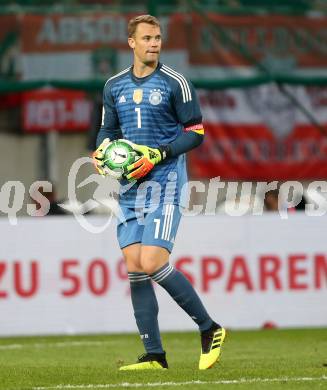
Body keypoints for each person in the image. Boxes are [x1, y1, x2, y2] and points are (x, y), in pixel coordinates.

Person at [93, 14, 226, 370]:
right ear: (131, 43)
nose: (154, 43)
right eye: (147, 38)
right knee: (135, 268)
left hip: (165, 185)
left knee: (152, 262)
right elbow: (107, 130)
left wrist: (160, 153)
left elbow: (196, 132)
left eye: (158, 37)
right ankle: (155, 355)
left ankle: (209, 327)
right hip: (130, 189)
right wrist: (101, 152)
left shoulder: (175, 82)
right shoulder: (114, 85)